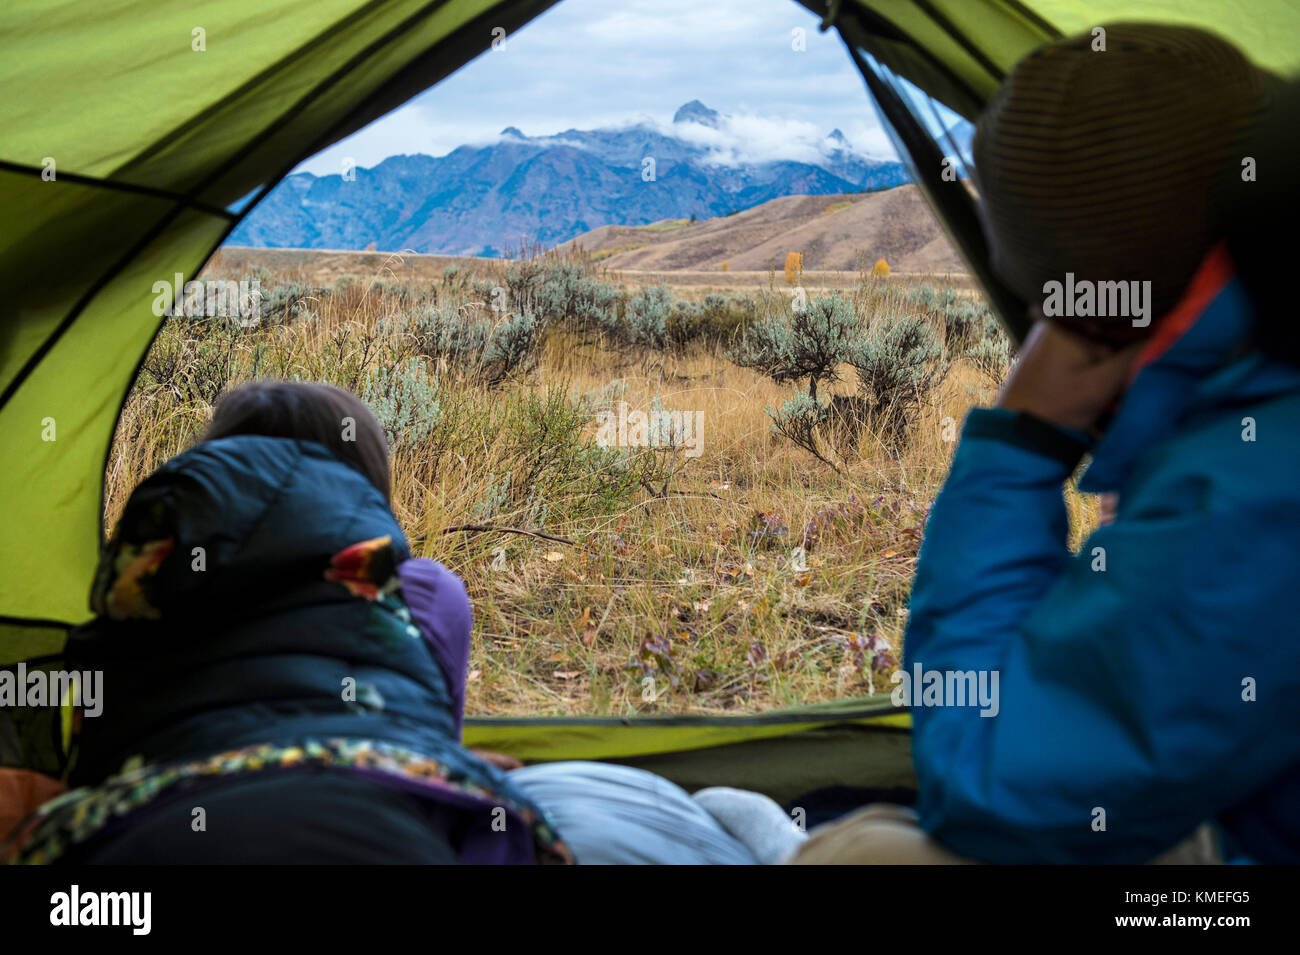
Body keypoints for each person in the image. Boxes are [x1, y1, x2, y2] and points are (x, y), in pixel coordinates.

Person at [791, 23, 1299, 865]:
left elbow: (995, 788)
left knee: (866, 858)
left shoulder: (1256, 487)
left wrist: (1018, 442)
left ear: (1086, 321)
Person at [6, 380, 799, 865]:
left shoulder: (141, 588)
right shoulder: (418, 589)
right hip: (376, 818)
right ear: (360, 491)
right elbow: (422, 740)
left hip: (142, 828)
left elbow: (104, 741)